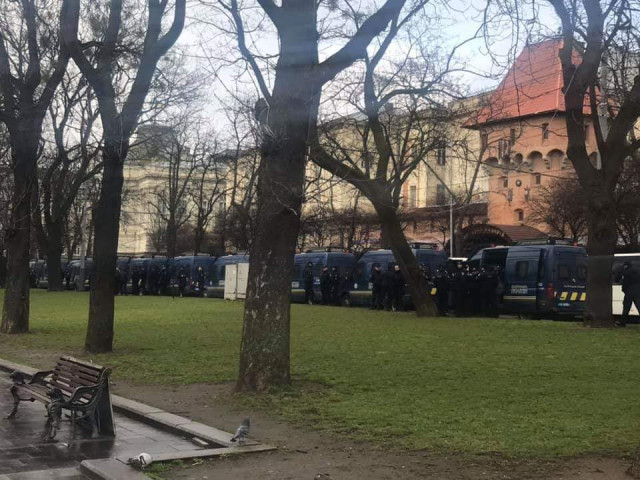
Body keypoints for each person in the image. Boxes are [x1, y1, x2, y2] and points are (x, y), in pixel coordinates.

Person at [616, 261, 640, 327]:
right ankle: (622, 322)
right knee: (639, 306)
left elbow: (620, 281)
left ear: (625, 266)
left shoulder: (626, 272)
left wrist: (624, 289)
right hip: (638, 291)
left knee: (626, 307)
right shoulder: (637, 270)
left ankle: (622, 322)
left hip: (629, 292)